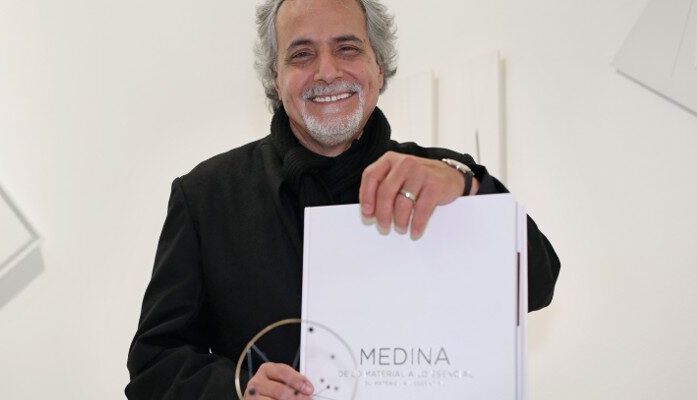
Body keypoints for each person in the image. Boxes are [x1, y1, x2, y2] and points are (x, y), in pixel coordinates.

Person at [125, 0, 560, 399]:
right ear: (275, 78)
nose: (326, 72)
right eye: (301, 54)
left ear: (379, 66)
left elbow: (537, 287)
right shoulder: (206, 196)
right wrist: (237, 388)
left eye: (347, 48)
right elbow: (154, 364)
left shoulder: (445, 178)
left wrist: (471, 188)